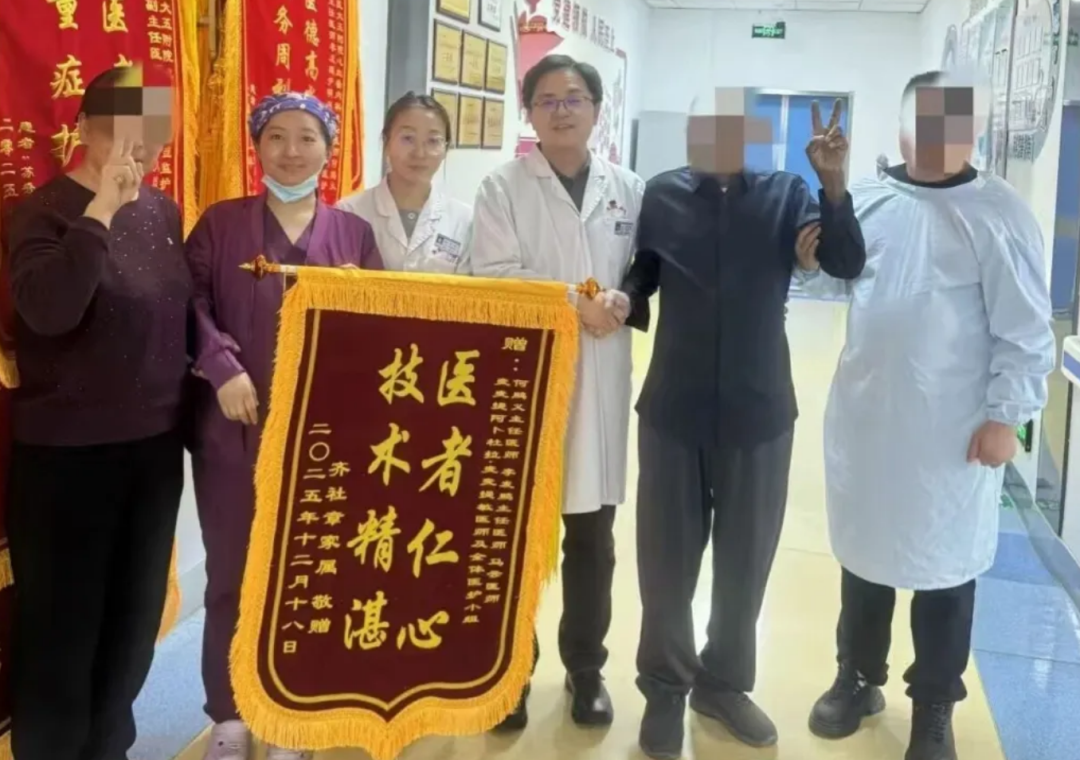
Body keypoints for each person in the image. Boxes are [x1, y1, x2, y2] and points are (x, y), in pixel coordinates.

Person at [799, 70, 1055, 760]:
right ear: (903, 125)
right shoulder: (870, 198)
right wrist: (807, 250)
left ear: (976, 131)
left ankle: (934, 707)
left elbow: (1026, 330)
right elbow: (832, 278)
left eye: (955, 122)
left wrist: (1007, 416)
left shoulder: (998, 214)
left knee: (945, 573)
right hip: (869, 422)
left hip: (953, 433)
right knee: (865, 559)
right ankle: (858, 678)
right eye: (926, 120)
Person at [617, 87, 867, 759]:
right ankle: (664, 690)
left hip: (760, 411)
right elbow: (645, 273)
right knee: (665, 562)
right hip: (674, 409)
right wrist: (622, 299)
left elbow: (845, 262)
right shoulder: (663, 194)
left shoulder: (788, 194)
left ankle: (723, 684)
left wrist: (833, 184)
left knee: (744, 561)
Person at [186, 92, 383, 760]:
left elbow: (380, 334)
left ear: (329, 148)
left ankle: (292, 713)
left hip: (322, 439)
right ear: (257, 145)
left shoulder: (353, 236)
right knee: (231, 575)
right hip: (233, 432)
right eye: (276, 136)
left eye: (306, 137)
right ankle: (230, 715)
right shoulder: (220, 225)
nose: (291, 151)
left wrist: (358, 303)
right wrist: (221, 367)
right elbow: (189, 304)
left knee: (308, 573)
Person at [4, 66, 191, 760]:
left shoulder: (165, 212)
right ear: (83, 129)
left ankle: (110, 749)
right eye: (120, 131)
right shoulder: (42, 211)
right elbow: (49, 311)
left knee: (132, 628)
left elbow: (179, 320)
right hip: (66, 460)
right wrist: (102, 211)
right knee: (62, 634)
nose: (137, 149)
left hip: (153, 453)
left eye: (151, 133)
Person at [470, 54, 644, 731]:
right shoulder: (502, 187)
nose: (562, 110)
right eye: (547, 99)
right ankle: (511, 670)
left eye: (574, 98)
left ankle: (586, 669)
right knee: (515, 538)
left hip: (600, 379)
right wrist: (576, 301)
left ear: (597, 109)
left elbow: (642, 272)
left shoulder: (628, 188)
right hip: (528, 381)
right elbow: (494, 276)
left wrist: (621, 300)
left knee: (593, 541)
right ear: (530, 113)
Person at [338, 92, 472, 273]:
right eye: (408, 138)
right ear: (386, 143)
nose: (420, 153)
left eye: (433, 141)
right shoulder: (349, 213)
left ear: (445, 149)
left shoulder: (464, 220)